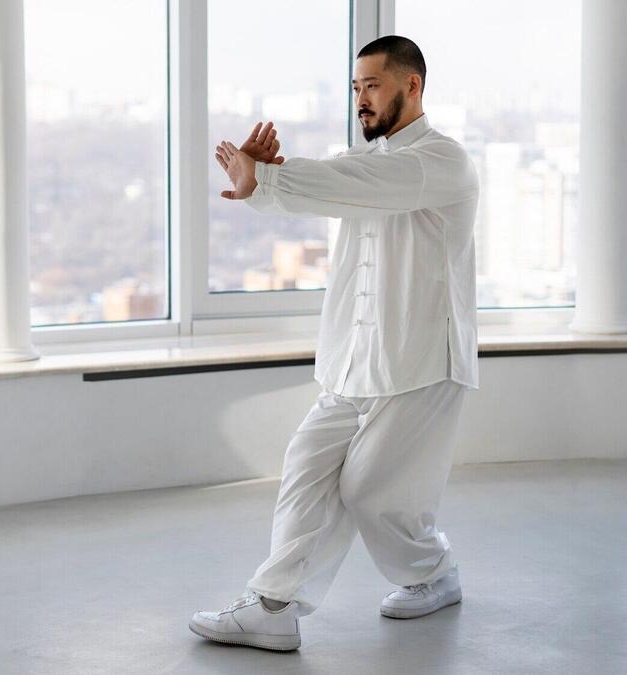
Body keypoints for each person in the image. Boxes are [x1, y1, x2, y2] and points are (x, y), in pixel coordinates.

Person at [188, 35, 480, 652]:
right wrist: (259, 182)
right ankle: (273, 607)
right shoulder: (363, 166)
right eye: (355, 88)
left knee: (371, 490)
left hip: (422, 361)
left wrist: (269, 174)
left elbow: (354, 179)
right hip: (352, 361)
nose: (362, 100)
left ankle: (432, 571)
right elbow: (335, 186)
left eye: (373, 85)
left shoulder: (440, 161)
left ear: (413, 86)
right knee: (305, 468)